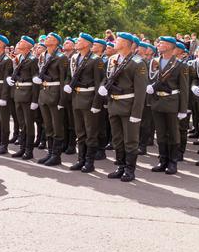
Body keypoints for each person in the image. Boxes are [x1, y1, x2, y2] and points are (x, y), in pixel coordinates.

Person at [95, 32, 147, 182]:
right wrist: (103, 87)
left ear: (126, 43)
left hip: (129, 106)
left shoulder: (137, 62)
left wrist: (136, 113)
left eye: (118, 40)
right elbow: (107, 77)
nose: (115, 42)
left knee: (130, 140)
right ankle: (121, 167)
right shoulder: (112, 59)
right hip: (113, 104)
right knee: (117, 138)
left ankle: (130, 170)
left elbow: (140, 91)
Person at [146, 37, 188, 175]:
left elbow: (184, 88)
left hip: (172, 102)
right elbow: (151, 79)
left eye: (162, 43)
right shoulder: (154, 61)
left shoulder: (180, 64)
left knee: (173, 133)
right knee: (161, 133)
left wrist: (183, 109)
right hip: (157, 101)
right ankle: (162, 160)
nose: (159, 45)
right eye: (159, 43)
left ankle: (173, 162)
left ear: (170, 46)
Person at [66, 33, 105, 172]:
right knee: (80, 132)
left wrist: (96, 104)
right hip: (76, 97)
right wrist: (67, 84)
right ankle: (80, 159)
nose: (77, 42)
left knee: (91, 132)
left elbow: (99, 82)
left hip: (89, 99)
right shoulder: (75, 57)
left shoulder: (96, 60)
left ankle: (89, 162)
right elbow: (69, 76)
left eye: (80, 40)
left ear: (88, 44)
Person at [33, 32, 68, 166]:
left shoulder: (61, 57)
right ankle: (50, 153)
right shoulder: (42, 55)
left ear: (56, 42)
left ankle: (56, 155)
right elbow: (39, 71)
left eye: (49, 37)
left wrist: (61, 100)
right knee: (48, 125)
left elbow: (63, 79)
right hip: (44, 93)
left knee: (57, 125)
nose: (46, 38)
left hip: (55, 93)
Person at [6, 35, 39, 159]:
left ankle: (29, 151)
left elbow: (36, 81)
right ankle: (22, 148)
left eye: (21, 41)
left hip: (28, 93)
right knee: (21, 123)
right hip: (18, 93)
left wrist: (35, 100)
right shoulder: (18, 58)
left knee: (29, 123)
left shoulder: (33, 59)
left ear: (28, 45)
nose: (19, 43)